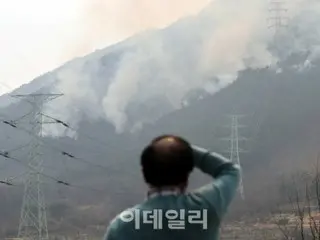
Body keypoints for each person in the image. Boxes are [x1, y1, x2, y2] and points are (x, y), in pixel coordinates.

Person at [104, 135, 240, 240]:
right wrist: (182, 152)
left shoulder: (123, 226)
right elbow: (230, 170)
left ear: (145, 175)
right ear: (186, 179)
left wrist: (160, 153)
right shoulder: (206, 207)